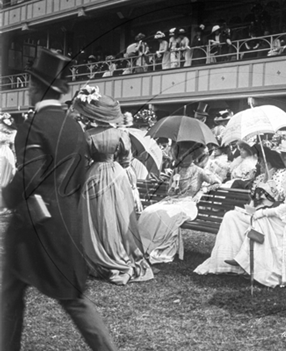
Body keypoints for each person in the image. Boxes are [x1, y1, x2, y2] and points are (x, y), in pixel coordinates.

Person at [0, 48, 117, 351]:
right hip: (65, 222)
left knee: (11, 295)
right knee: (73, 297)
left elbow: (29, 176)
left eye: (30, 84)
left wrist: (7, 195)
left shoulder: (34, 125)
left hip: (32, 225)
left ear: (36, 87)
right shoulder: (74, 125)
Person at [196, 139, 286, 289]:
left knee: (263, 221)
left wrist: (265, 211)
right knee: (235, 216)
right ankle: (235, 263)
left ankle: (248, 262)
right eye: (285, 157)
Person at [73, 85, 154, 286]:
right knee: (117, 216)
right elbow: (126, 160)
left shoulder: (87, 134)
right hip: (117, 175)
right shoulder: (120, 134)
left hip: (95, 174)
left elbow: (82, 161)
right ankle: (120, 251)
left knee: (97, 216)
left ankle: (99, 252)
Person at [138, 142, 222, 264]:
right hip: (172, 201)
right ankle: (143, 247)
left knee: (166, 215)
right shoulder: (176, 170)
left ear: (193, 156)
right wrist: (172, 188)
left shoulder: (199, 171)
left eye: (184, 155)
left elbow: (216, 182)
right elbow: (170, 192)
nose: (181, 158)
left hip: (187, 204)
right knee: (148, 211)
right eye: (179, 155)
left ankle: (156, 248)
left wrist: (202, 191)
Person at [0, 113, 16, 190]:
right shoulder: (12, 132)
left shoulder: (11, 131)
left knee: (4, 171)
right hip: (5, 152)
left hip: (4, 153)